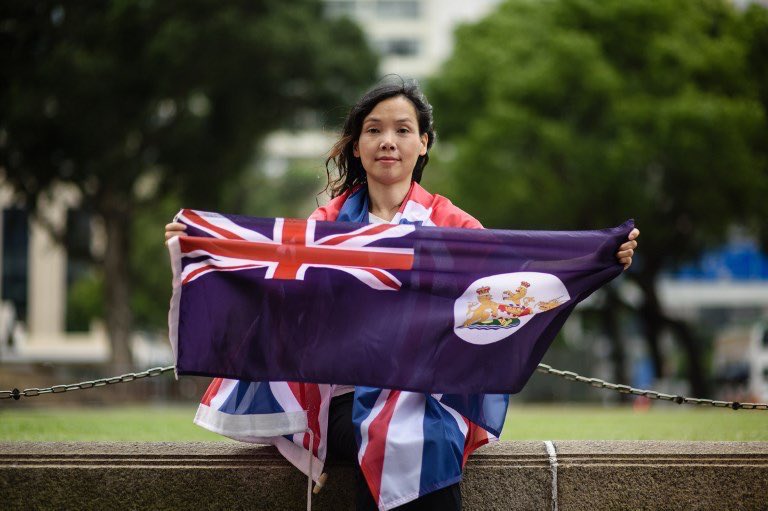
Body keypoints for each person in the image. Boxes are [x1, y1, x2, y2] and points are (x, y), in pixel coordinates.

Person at [165, 79, 639, 510]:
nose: (387, 141)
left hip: (432, 391)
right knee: (390, 430)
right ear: (357, 145)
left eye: (402, 130)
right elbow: (268, 287)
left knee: (415, 430)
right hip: (345, 397)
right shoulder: (324, 228)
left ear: (423, 143)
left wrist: (596, 257)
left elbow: (512, 280)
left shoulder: (454, 226)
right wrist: (200, 245)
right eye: (373, 130)